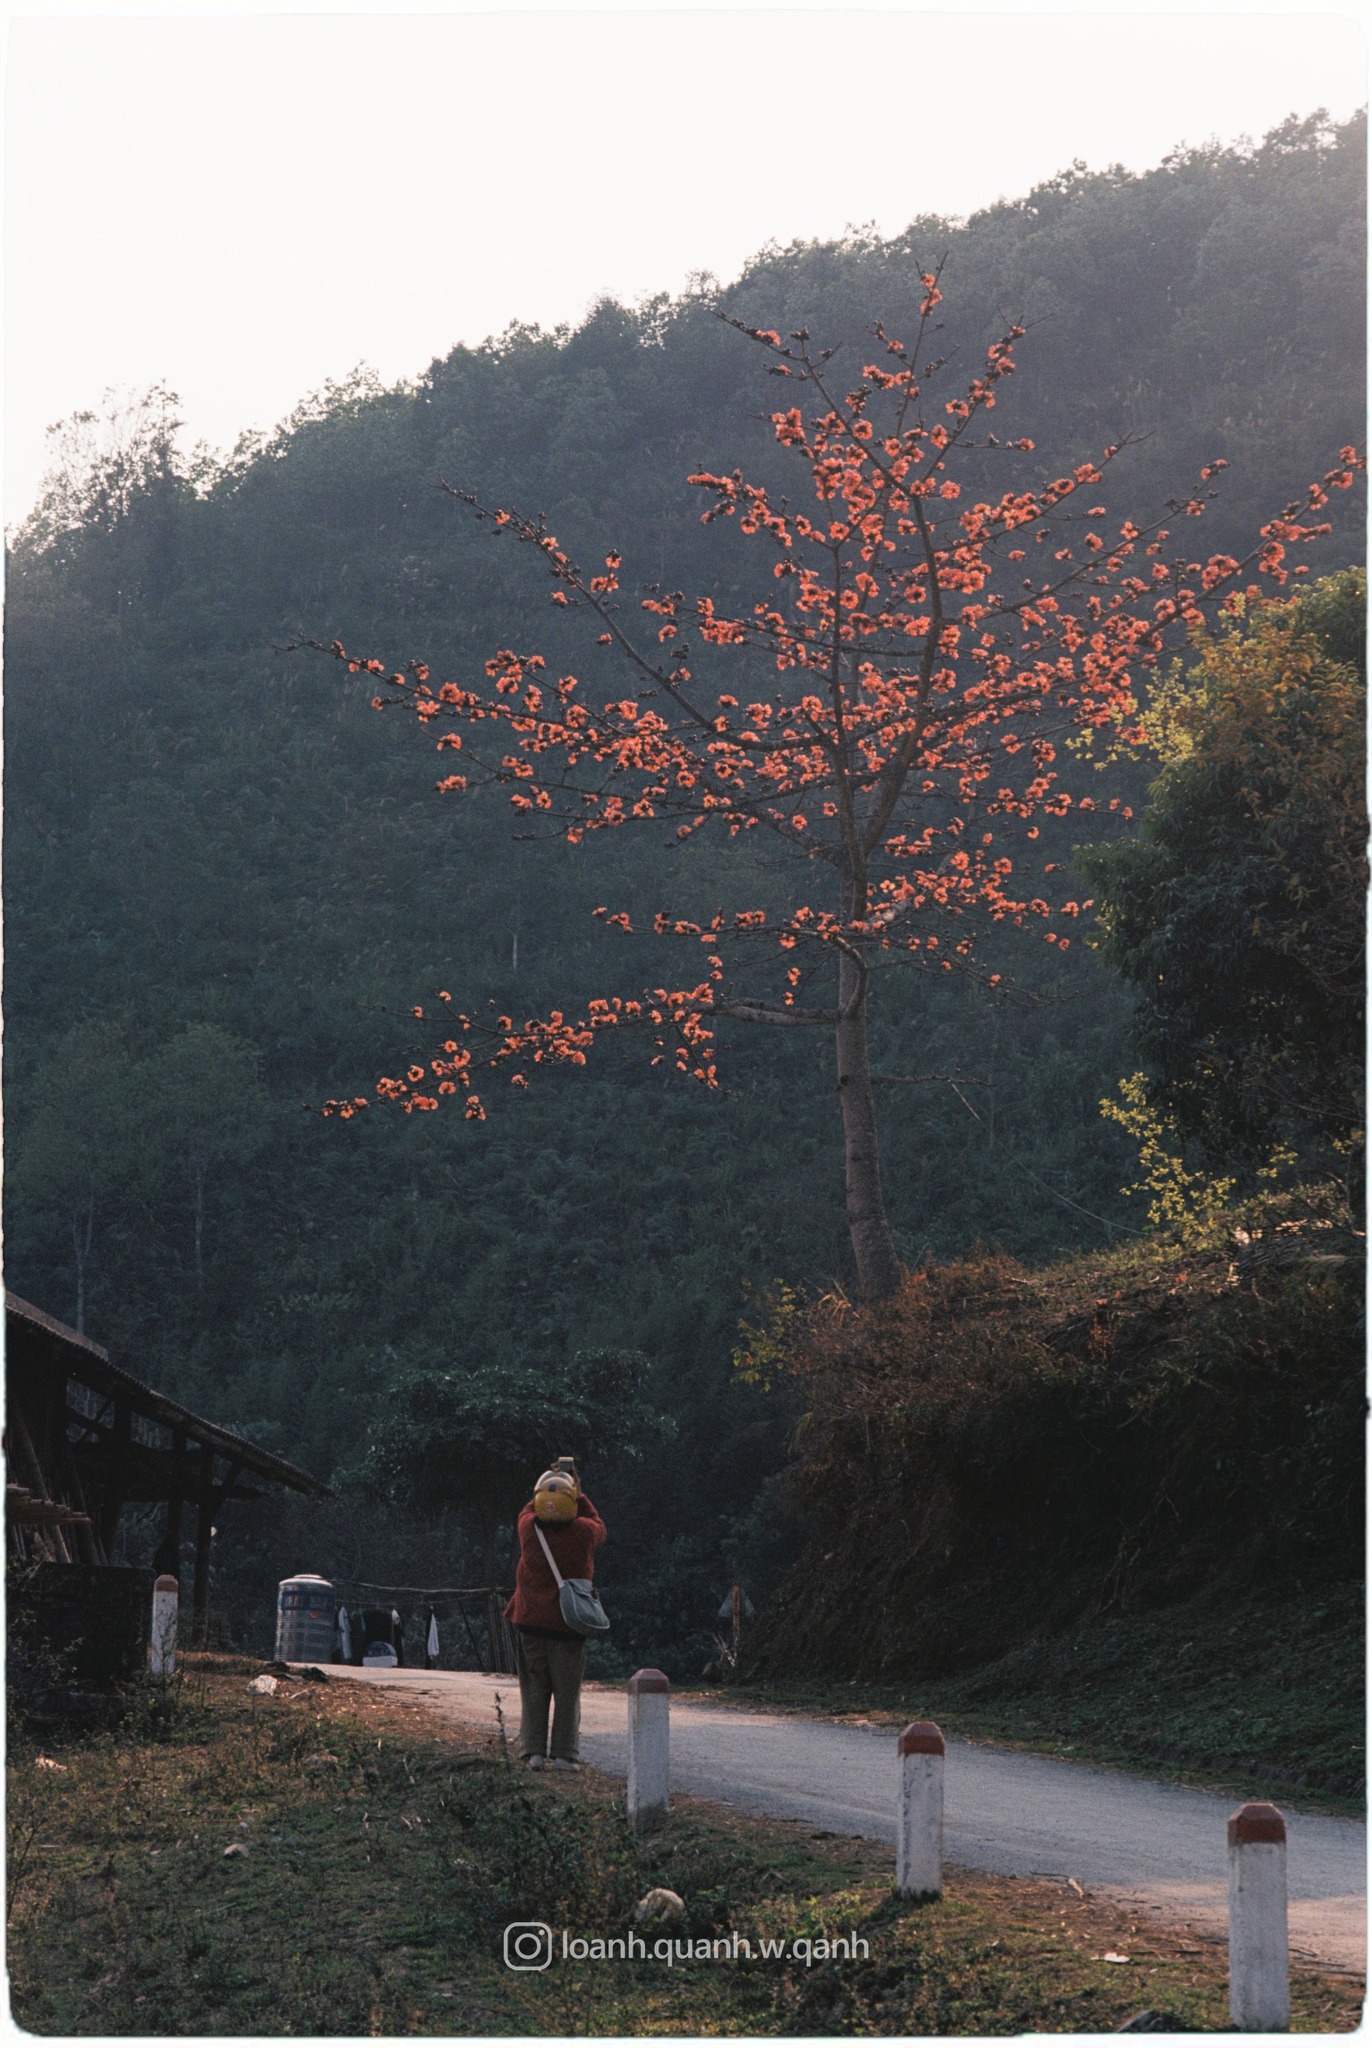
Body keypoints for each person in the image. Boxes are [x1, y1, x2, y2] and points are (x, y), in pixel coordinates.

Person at [504, 1458, 605, 1771]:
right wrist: (576, 1487)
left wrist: (548, 1478)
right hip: (567, 1627)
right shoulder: (585, 1533)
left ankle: (533, 1752)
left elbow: (528, 1507)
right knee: (567, 1692)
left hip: (530, 1623)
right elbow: (597, 1523)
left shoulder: (528, 1529)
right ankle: (564, 1755)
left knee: (534, 1688)